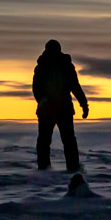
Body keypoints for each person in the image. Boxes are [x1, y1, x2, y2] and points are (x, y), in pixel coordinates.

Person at [32, 39, 88, 171]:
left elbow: (36, 88)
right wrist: (84, 104)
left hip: (51, 109)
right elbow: (75, 87)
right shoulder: (63, 65)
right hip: (61, 109)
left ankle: (44, 168)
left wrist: (41, 100)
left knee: (46, 141)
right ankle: (72, 168)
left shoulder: (43, 65)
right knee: (67, 141)